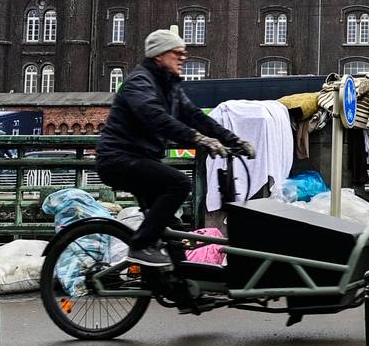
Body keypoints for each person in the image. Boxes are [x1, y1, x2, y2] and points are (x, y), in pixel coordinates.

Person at [97, 29, 254, 267]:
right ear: (159, 56)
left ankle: (183, 291)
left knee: (172, 230)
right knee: (179, 183)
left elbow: (195, 116)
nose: (183, 57)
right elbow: (156, 117)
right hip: (119, 159)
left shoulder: (171, 88)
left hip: (141, 159)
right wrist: (198, 140)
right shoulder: (139, 82)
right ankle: (140, 246)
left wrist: (233, 141)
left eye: (184, 53)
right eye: (176, 52)